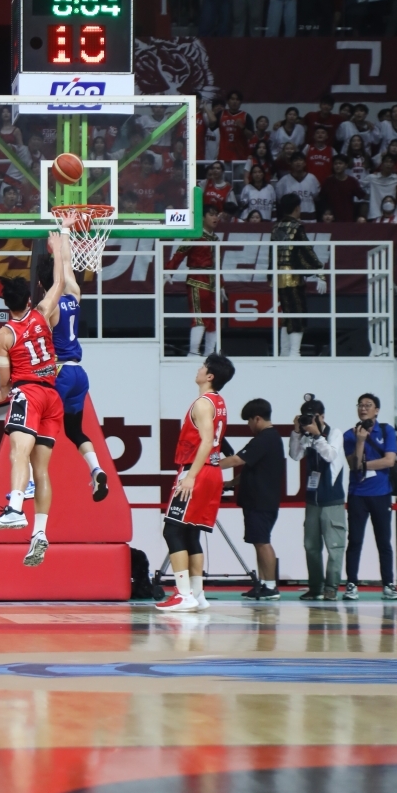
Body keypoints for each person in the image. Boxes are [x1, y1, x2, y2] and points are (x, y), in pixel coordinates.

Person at [0, 231, 67, 567]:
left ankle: (15, 509)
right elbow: (59, 282)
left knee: (19, 454)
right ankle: (40, 532)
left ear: (6, 305)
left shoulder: (4, 334)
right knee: (41, 470)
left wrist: (3, 392)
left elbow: (4, 377)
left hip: (28, 394)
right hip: (52, 396)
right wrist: (58, 250)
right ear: (29, 300)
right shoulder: (43, 312)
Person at [155, 352, 236, 614]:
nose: (198, 369)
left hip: (197, 471)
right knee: (192, 532)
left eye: (203, 367)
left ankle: (183, 594)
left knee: (172, 530)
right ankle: (198, 594)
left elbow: (206, 440)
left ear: (210, 376)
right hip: (212, 471)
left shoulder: (202, 403)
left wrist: (190, 476)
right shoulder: (219, 401)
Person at [38, 241, 108, 502]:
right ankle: (96, 469)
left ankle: (33, 481)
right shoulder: (74, 296)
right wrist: (62, 240)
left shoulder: (48, 307)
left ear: (39, 284)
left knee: (40, 428)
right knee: (74, 431)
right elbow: (67, 267)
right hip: (80, 373)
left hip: (60, 373)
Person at [218, 398, 285, 600]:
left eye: (248, 421)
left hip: (261, 501)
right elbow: (248, 469)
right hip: (256, 500)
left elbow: (238, 460)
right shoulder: (268, 439)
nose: (248, 426)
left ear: (257, 418)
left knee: (263, 542)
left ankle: (271, 586)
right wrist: (229, 484)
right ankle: (263, 583)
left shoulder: (265, 438)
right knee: (258, 541)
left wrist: (207, 467)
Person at [343, 392, 397, 602]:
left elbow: (389, 461)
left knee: (384, 541)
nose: (363, 408)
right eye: (360, 405)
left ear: (376, 410)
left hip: (381, 493)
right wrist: (360, 441)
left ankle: (388, 584)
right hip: (358, 494)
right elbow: (353, 464)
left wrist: (365, 466)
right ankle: (351, 584)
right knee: (355, 540)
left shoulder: (386, 431)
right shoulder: (350, 435)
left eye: (368, 405)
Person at [288, 395, 346, 600]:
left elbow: (330, 455)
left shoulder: (335, 433)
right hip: (312, 500)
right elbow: (295, 456)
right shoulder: (306, 436)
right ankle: (315, 587)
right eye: (306, 418)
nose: (309, 422)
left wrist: (318, 435)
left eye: (313, 418)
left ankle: (331, 587)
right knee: (311, 546)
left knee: (335, 547)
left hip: (332, 500)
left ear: (322, 416)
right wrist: (297, 433)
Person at [270, 193, 327, 358]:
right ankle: (294, 352)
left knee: (287, 313)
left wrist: (270, 275)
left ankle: (284, 352)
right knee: (297, 312)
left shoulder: (275, 227)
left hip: (278, 274)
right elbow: (306, 250)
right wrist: (319, 270)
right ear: (297, 208)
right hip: (293, 275)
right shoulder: (296, 227)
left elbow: (271, 254)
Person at [167, 204, 221, 357]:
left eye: (216, 214)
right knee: (199, 317)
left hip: (213, 282)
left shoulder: (215, 238)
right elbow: (180, 253)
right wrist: (168, 271)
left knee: (214, 318)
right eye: (211, 214)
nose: (215, 218)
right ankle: (193, 352)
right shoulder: (194, 234)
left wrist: (221, 284)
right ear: (202, 217)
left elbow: (218, 264)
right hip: (197, 279)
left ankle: (210, 353)